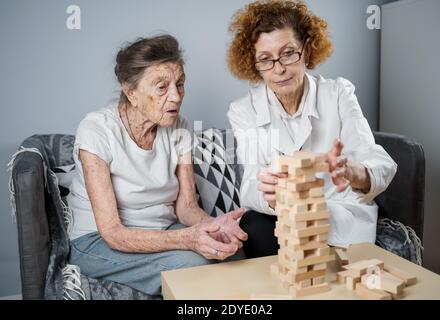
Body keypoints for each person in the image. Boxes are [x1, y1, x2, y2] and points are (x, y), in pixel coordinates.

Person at [67, 34, 247, 296]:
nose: (175, 96)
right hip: (98, 241)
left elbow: (186, 207)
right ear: (131, 93)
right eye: (161, 87)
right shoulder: (96, 130)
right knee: (196, 267)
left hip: (163, 229)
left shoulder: (180, 127)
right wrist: (187, 239)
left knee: (230, 252)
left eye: (180, 84)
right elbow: (113, 232)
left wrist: (214, 226)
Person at [226, 0, 397, 258]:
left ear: (305, 50)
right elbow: (249, 184)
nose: (279, 68)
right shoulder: (243, 110)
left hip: (338, 213)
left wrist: (352, 170)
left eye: (288, 53)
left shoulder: (338, 93)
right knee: (253, 225)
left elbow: (380, 163)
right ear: (254, 64)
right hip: (285, 215)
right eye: (266, 60)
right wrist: (272, 194)